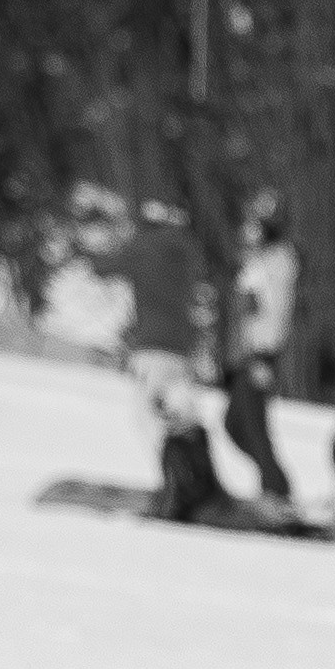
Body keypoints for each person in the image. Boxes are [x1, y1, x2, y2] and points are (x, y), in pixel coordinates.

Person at [122, 198, 226, 522]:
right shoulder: (187, 249)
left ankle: (179, 490)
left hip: (152, 346)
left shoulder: (145, 246)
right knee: (183, 412)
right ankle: (200, 483)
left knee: (152, 418)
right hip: (183, 346)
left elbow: (105, 265)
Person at [225, 190, 297, 504]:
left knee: (251, 424)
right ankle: (274, 482)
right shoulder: (259, 261)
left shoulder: (277, 260)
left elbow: (268, 310)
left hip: (260, 353)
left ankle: (275, 487)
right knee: (235, 423)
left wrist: (261, 355)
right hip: (246, 354)